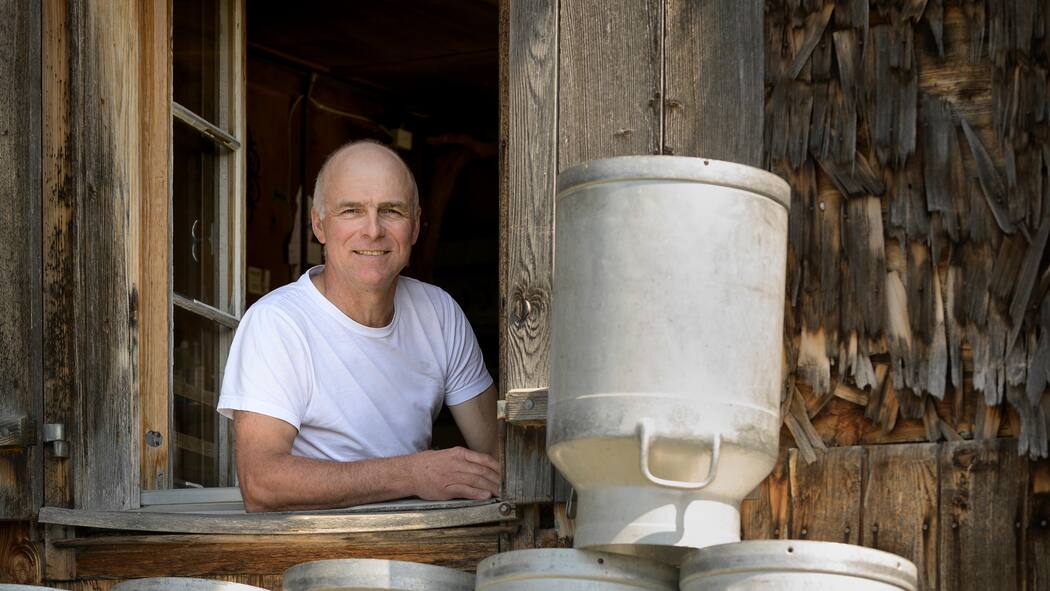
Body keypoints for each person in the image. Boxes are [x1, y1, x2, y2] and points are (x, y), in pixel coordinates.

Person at [217, 141, 500, 512]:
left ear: (415, 226)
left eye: (391, 211)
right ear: (319, 224)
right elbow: (261, 483)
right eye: (352, 210)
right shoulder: (278, 323)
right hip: (309, 557)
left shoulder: (438, 313)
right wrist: (413, 474)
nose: (373, 230)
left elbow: (497, 451)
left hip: (420, 548)